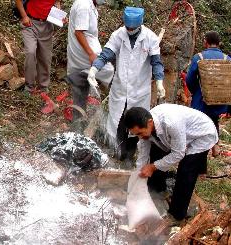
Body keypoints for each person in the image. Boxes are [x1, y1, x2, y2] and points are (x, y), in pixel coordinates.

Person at [87, 6, 166, 162]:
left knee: (137, 123)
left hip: (139, 90)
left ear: (140, 24)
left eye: (133, 27)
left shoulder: (150, 38)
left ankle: (130, 156)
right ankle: (118, 152)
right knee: (118, 121)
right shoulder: (118, 35)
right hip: (120, 88)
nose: (130, 30)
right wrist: (94, 69)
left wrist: (159, 83)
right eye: (127, 27)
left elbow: (156, 62)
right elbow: (105, 54)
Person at [123, 104, 218, 221]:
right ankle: (157, 191)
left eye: (140, 133)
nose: (140, 137)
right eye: (136, 134)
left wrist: (153, 167)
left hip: (201, 134)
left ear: (150, 122)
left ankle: (177, 214)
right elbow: (143, 150)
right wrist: (139, 171)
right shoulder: (145, 126)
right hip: (178, 135)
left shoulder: (171, 123)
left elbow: (178, 154)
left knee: (186, 171)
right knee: (155, 152)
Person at [66, 0, 114, 120]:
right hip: (85, 52)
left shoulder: (89, 4)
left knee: (82, 84)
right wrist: (91, 53)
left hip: (86, 49)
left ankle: (78, 118)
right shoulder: (84, 6)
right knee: (108, 70)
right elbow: (79, 33)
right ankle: (109, 105)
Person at [186, 31, 230, 157]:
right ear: (219, 43)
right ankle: (215, 144)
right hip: (220, 101)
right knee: (214, 120)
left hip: (201, 101)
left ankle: (201, 164)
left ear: (205, 42)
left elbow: (190, 79)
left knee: (199, 127)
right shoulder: (227, 59)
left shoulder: (199, 57)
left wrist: (196, 92)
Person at [16, 0, 62, 94]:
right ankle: (29, 87)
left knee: (45, 57)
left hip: (47, 25)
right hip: (30, 23)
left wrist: (60, 16)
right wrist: (24, 16)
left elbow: (57, 3)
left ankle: (43, 87)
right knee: (30, 52)